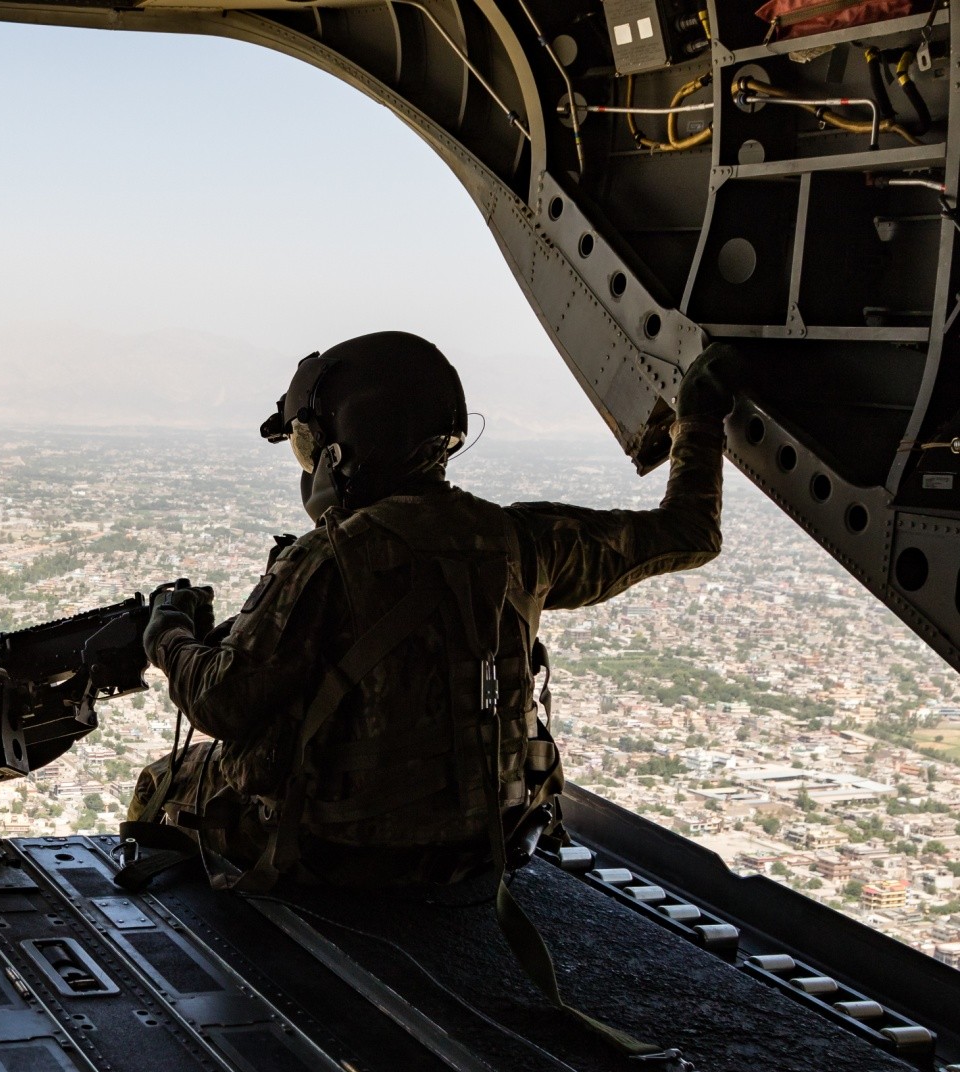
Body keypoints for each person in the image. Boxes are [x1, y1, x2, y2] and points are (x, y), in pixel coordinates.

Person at [132, 332, 737, 892]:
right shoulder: (519, 541)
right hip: (488, 845)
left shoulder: (329, 557)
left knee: (163, 786)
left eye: (308, 444)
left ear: (344, 446)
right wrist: (700, 417)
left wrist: (168, 632)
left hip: (342, 849)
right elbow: (688, 531)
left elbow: (222, 702)